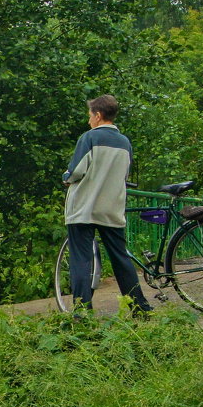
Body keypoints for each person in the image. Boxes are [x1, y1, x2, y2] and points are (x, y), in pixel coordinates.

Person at [62, 94, 153, 317]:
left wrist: (66, 176)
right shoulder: (125, 143)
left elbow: (76, 171)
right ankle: (140, 307)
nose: (88, 120)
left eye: (90, 115)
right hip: (112, 208)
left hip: (84, 208)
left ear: (98, 115)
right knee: (120, 257)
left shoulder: (89, 138)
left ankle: (82, 313)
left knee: (81, 260)